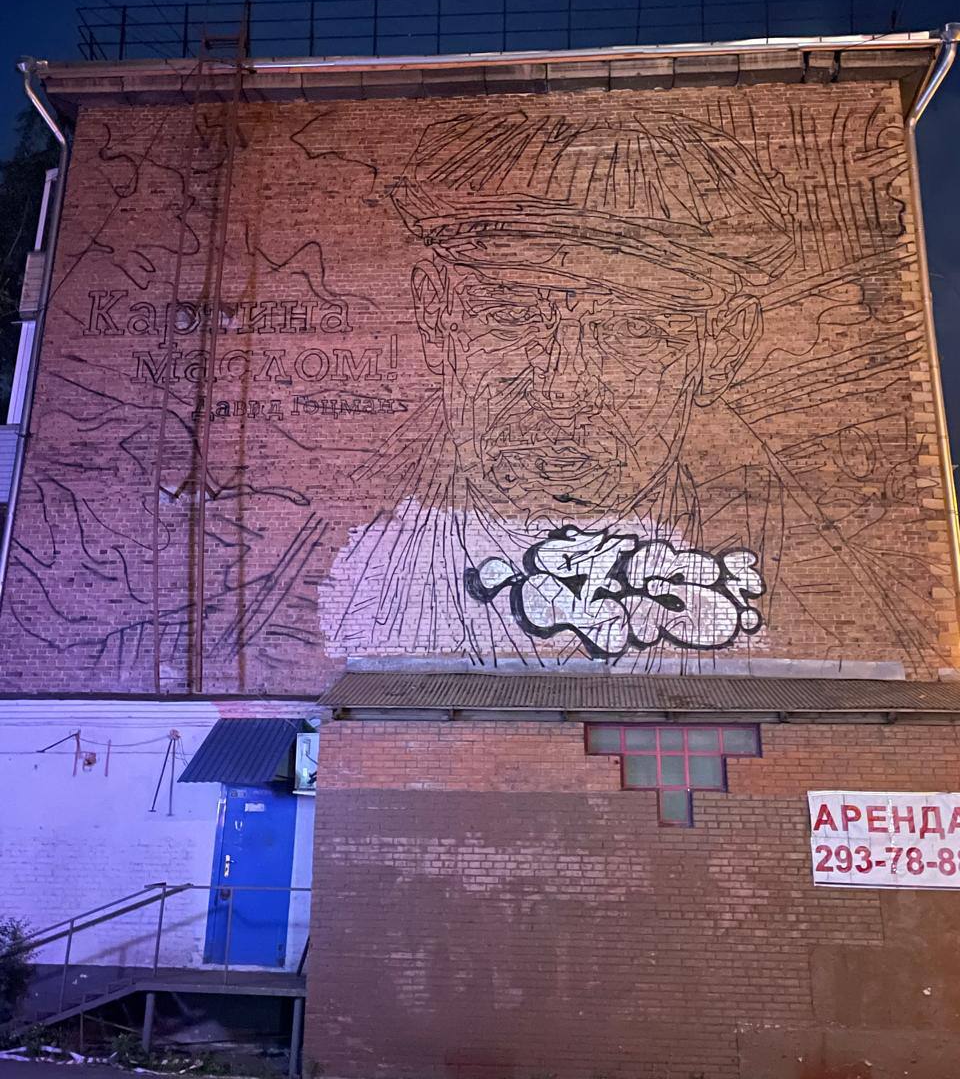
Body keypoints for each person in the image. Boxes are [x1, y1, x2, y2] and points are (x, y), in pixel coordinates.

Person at [321, 109, 815, 667]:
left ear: (722, 347)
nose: (562, 389)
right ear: (435, 313)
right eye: (510, 315)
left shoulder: (814, 574)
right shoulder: (328, 559)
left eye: (633, 329)